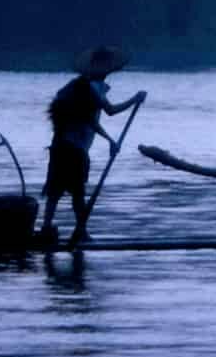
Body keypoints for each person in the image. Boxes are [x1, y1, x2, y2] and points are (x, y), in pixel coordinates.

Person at [42, 45, 146, 243]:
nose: (108, 68)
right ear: (95, 65)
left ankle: (52, 228)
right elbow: (105, 113)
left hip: (64, 146)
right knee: (73, 192)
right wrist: (135, 99)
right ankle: (76, 231)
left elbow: (92, 117)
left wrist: (110, 140)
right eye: (104, 64)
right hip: (72, 148)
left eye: (108, 64)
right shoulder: (86, 87)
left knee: (58, 190)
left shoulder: (85, 86)